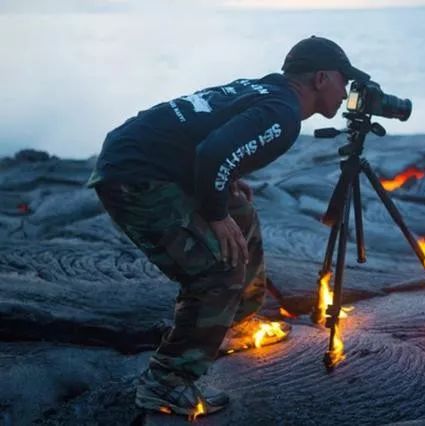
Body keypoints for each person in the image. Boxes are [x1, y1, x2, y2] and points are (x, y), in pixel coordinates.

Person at [86, 36, 369, 417]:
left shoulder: (267, 88)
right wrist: (215, 213)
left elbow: (211, 135)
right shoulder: (283, 114)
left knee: (242, 214)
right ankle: (166, 382)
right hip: (136, 177)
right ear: (321, 78)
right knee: (218, 270)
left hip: (146, 157)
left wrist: (224, 182)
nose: (346, 89)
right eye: (343, 79)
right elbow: (213, 152)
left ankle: (232, 322)